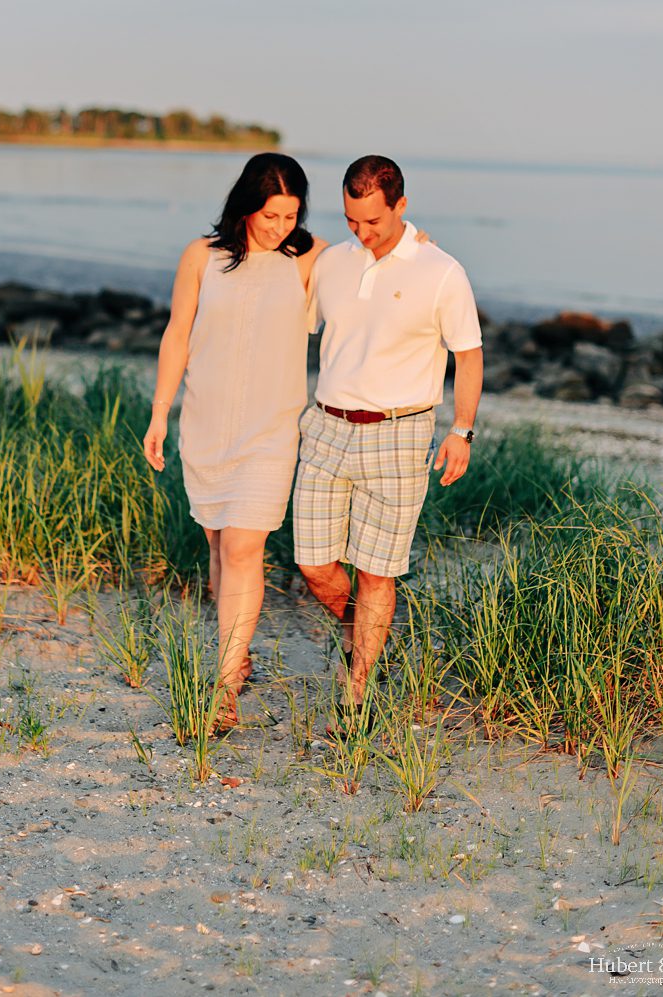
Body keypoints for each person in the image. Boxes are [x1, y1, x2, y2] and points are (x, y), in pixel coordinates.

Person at [142, 153, 327, 729]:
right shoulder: (202, 256)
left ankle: (223, 688)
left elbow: (377, 266)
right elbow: (178, 333)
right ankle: (237, 655)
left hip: (272, 429)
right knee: (221, 545)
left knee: (246, 548)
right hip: (206, 421)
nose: (280, 228)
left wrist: (416, 247)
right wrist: (158, 414)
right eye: (271, 215)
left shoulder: (310, 258)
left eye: (291, 216)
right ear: (247, 206)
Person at [293, 154, 484, 706]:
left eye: (374, 221)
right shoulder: (333, 263)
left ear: (401, 205)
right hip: (326, 427)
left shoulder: (441, 271)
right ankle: (368, 639)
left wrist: (462, 430)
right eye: (352, 220)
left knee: (378, 573)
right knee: (313, 563)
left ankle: (357, 698)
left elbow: (468, 357)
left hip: (400, 433)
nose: (362, 232)